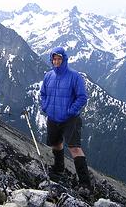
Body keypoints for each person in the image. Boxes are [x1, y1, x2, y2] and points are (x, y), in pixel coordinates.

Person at [40, 46, 91, 190]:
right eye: (54, 59)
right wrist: (46, 107)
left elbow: (82, 97)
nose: (56, 61)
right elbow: (43, 94)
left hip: (70, 119)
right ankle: (58, 169)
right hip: (53, 117)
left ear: (64, 59)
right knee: (56, 143)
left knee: (74, 148)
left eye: (59, 59)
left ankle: (85, 184)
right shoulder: (48, 76)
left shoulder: (74, 76)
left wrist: (70, 111)